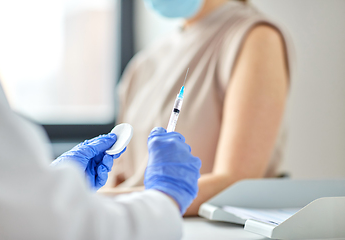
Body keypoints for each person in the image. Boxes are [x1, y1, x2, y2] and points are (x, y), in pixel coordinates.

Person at [0, 49, 201, 239]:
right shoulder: (144, 63)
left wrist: (54, 181)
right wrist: (166, 197)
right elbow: (55, 227)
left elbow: (3, 204)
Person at [104, 0, 293, 216]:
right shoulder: (145, 61)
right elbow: (119, 176)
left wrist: (96, 203)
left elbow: (236, 184)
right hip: (140, 224)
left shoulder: (256, 38)